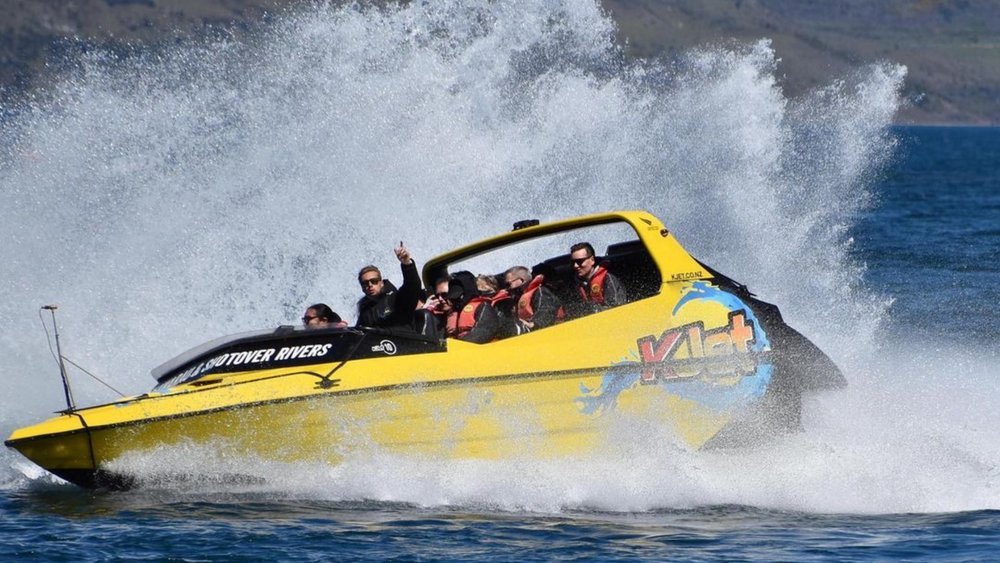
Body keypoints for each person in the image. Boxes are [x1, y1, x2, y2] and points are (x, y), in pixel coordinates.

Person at [356, 242, 423, 329]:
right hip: (375, 341)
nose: (370, 285)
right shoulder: (365, 309)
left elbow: (412, 286)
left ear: (381, 283)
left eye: (374, 281)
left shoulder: (397, 298)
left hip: (402, 340)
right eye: (365, 283)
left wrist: (407, 264)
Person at [428, 271, 499, 343]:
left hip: (483, 350)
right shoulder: (449, 314)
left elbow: (484, 331)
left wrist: (454, 345)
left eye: (445, 295)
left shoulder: (482, 306)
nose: (441, 299)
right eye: (437, 296)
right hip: (457, 349)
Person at [496, 265, 563, 336]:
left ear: (521, 280)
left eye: (508, 284)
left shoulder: (540, 291)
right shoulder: (514, 300)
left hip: (554, 333)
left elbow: (547, 309)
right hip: (530, 335)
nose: (507, 288)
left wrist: (534, 323)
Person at [569, 242, 626, 316]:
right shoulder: (574, 285)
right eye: (573, 262)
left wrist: (591, 309)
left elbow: (617, 310)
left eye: (580, 261)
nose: (575, 266)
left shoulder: (608, 279)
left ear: (592, 260)